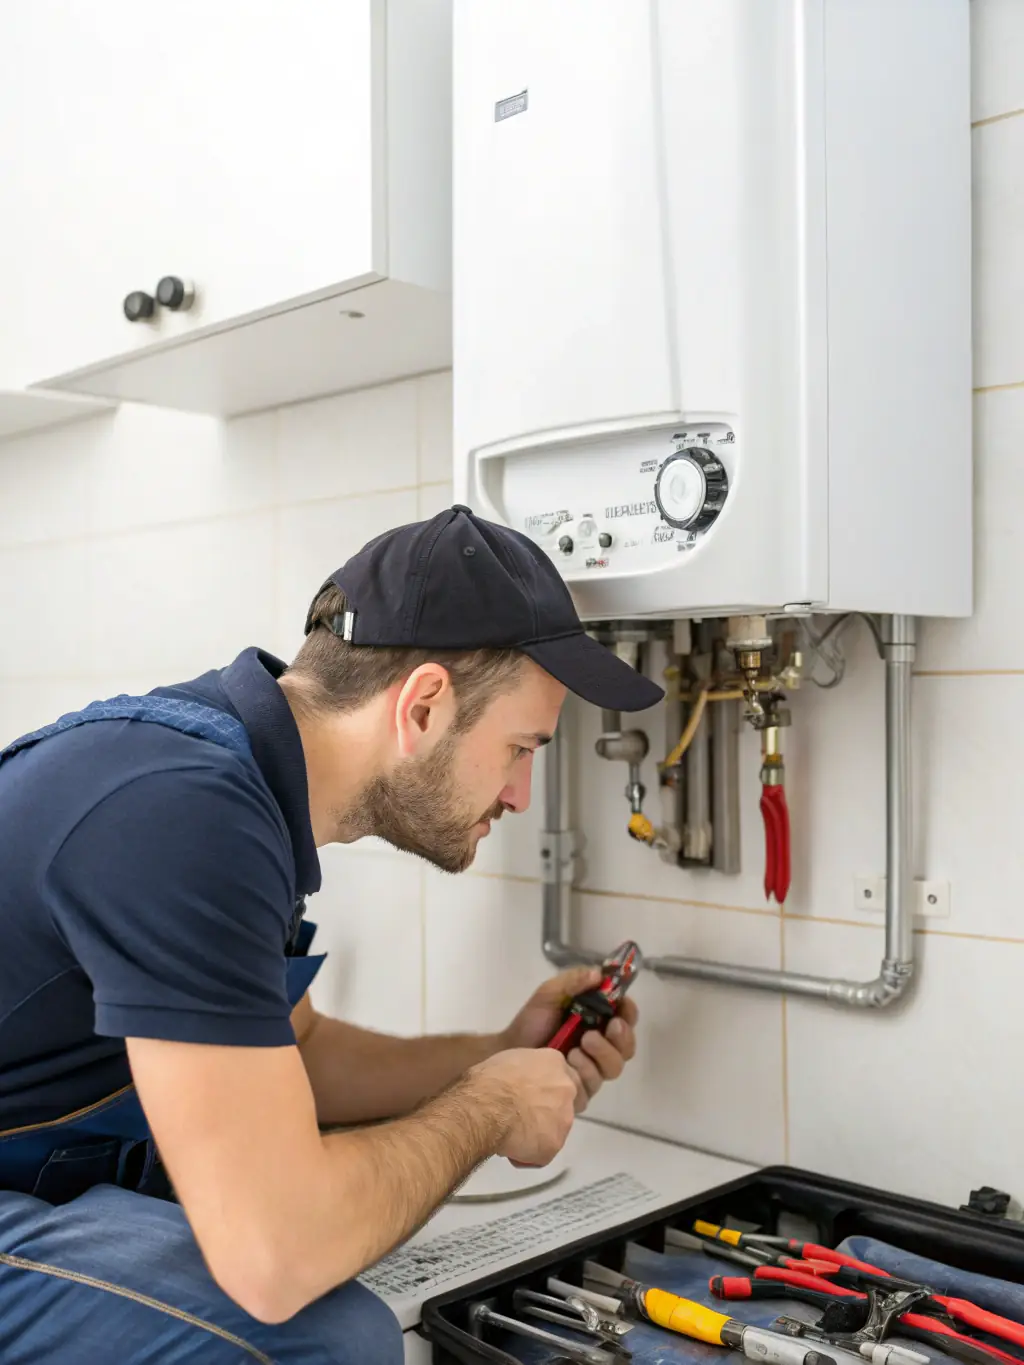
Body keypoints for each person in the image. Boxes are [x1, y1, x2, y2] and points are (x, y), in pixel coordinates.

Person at [0, 504, 664, 1363]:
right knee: (327, 1341)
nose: (520, 795)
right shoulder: (186, 817)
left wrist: (499, 1049)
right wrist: (492, 1104)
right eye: (520, 748)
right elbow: (275, 1256)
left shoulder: (231, 779)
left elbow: (297, 1052)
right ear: (423, 706)